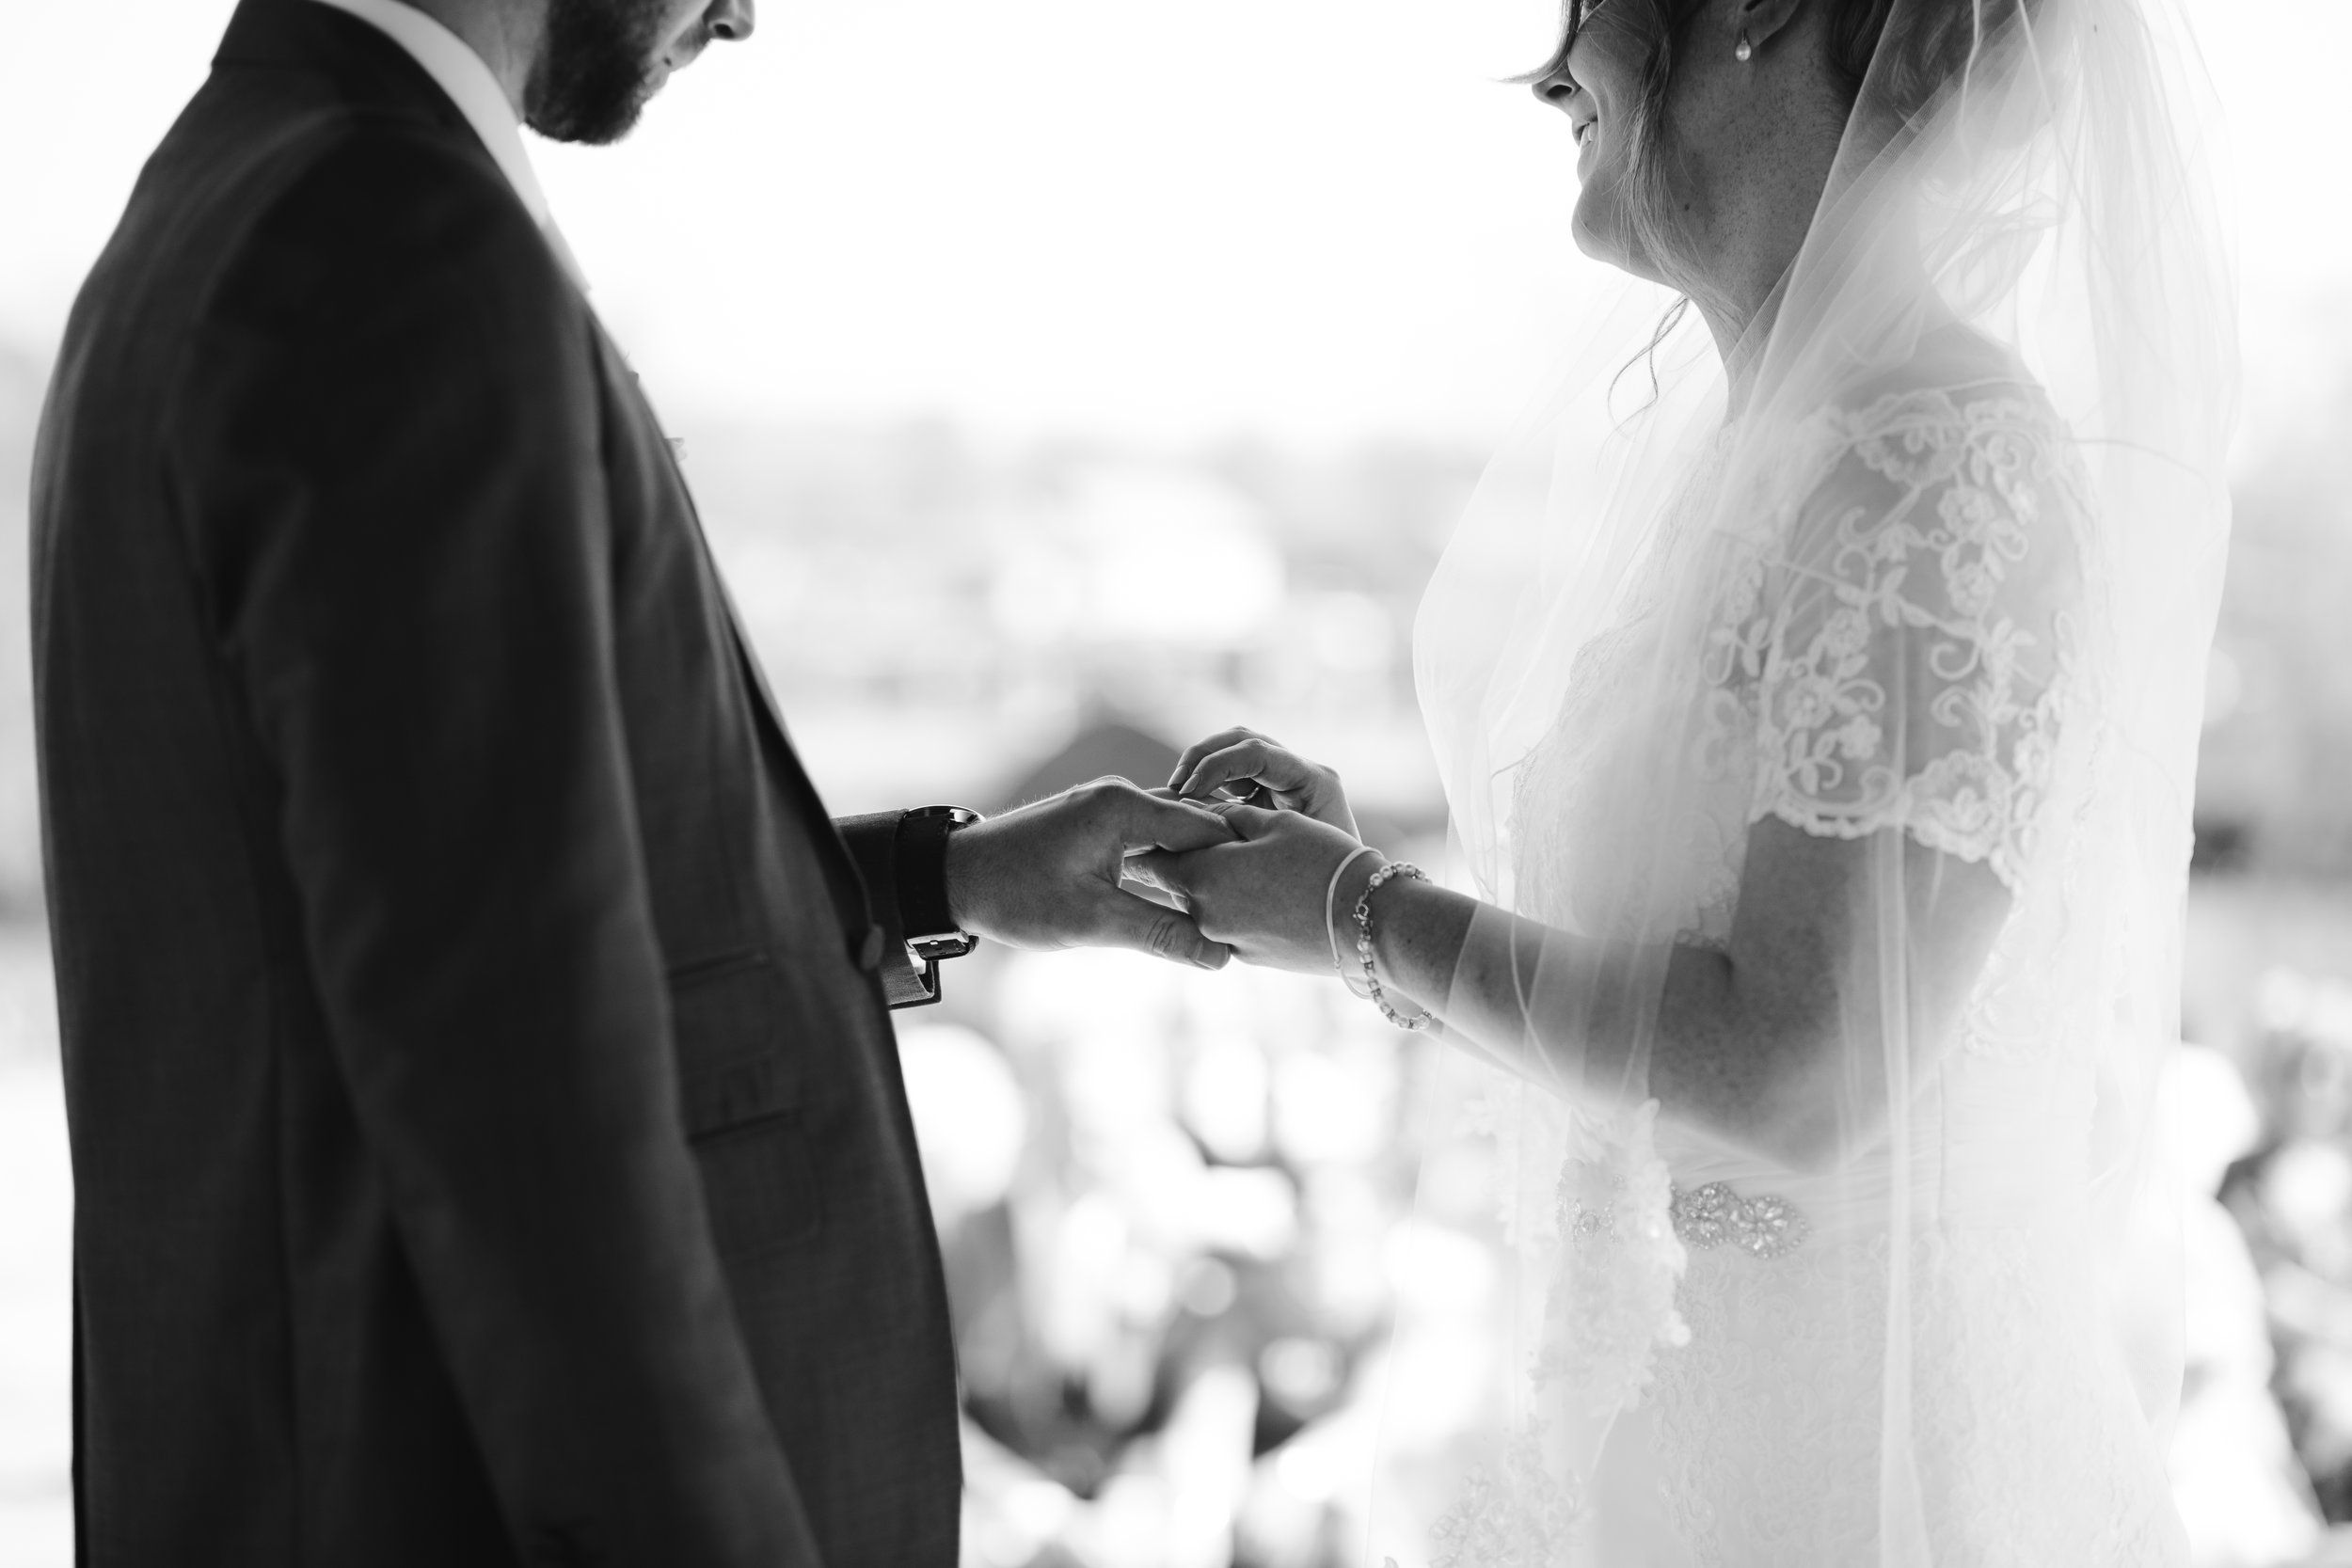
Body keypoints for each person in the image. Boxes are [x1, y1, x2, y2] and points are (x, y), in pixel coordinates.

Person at [28, 0, 1233, 1561]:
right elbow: (530, 1116)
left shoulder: (242, 188)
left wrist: (953, 878)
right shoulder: (390, 238)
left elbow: (447, 883)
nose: (738, 13)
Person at [1147, 0, 2235, 1560]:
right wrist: (1352, 889)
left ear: (1761, 12)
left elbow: (1801, 1071)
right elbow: (1676, 1004)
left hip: (1878, 1470)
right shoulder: (1778, 458)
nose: (1554, 70)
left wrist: (1361, 917)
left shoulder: (1932, 471)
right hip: (1684, 1419)